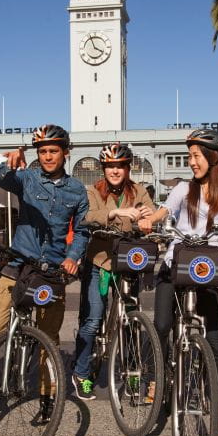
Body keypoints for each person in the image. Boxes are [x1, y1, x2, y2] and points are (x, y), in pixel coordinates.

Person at [0, 124, 89, 424]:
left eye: (53, 151)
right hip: (18, 265)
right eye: (42, 152)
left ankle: (47, 397)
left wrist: (72, 258)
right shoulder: (27, 178)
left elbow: (81, 231)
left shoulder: (77, 190)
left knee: (48, 339)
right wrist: (9, 161)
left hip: (52, 272)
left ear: (65, 153)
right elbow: (2, 178)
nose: (48, 156)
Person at [148, 129, 218, 435]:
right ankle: (155, 379)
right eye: (189, 156)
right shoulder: (182, 190)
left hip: (205, 269)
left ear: (213, 157)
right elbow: (163, 211)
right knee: (162, 325)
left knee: (216, 341)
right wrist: (147, 220)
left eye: (196, 156)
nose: (191, 162)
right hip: (175, 264)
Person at [72, 142, 157, 400]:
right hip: (99, 262)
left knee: (132, 321)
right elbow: (87, 217)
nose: (115, 171)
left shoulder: (138, 190)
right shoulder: (93, 191)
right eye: (110, 166)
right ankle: (82, 373)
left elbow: (150, 214)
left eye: (120, 166)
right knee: (92, 320)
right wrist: (117, 212)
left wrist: (146, 219)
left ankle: (132, 374)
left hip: (128, 264)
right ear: (104, 169)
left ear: (127, 168)